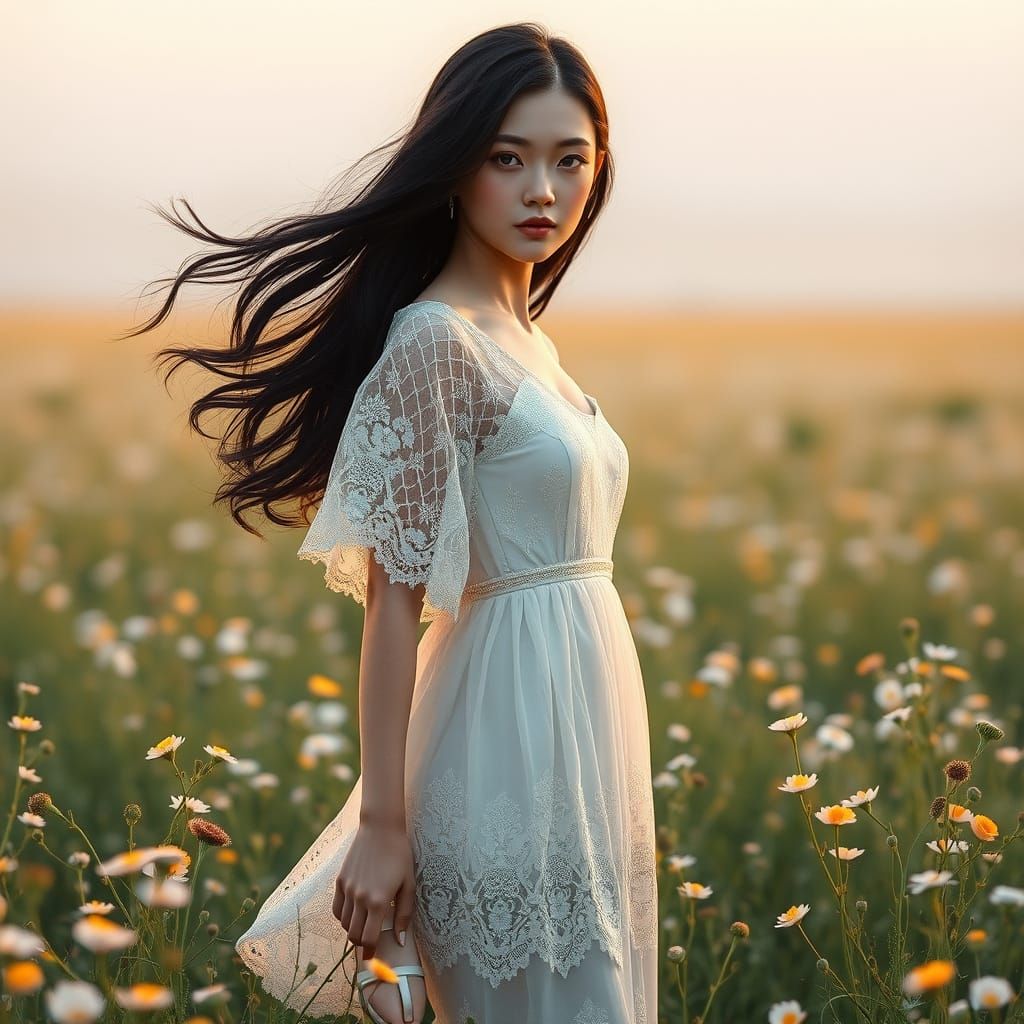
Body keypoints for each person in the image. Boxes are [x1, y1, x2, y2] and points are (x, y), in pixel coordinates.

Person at [121, 21, 657, 1024]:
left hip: (581, 730)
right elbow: (392, 602)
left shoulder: (529, 339)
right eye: (508, 158)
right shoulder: (433, 342)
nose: (542, 189)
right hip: (499, 734)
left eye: (568, 160)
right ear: (456, 166)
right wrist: (380, 823)